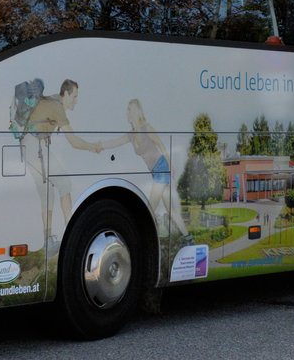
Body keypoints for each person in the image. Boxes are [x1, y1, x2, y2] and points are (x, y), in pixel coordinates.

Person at [97, 99, 189, 236]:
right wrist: (99, 145)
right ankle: (188, 238)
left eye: (129, 109)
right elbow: (115, 142)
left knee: (149, 209)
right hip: (156, 172)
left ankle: (149, 240)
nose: (126, 113)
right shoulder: (131, 134)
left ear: (134, 112)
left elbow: (162, 146)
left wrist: (170, 166)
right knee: (171, 210)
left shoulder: (147, 128)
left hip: (161, 169)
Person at [23, 79, 101, 241]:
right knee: (64, 182)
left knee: (47, 194)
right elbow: (73, 141)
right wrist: (92, 146)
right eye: (74, 96)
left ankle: (48, 240)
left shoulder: (52, 100)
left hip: (31, 145)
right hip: (35, 147)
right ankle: (71, 231)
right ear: (65, 94)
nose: (76, 101)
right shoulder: (57, 107)